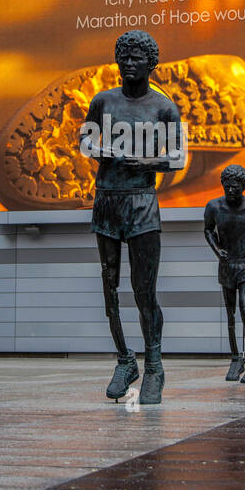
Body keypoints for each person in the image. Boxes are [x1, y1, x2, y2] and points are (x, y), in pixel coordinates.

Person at [79, 30, 184, 405]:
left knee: (144, 291)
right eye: (123, 56)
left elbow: (178, 158)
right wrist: (102, 150)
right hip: (107, 200)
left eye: (137, 57)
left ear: (151, 64)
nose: (129, 63)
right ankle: (125, 359)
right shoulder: (102, 101)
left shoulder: (164, 108)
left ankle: (154, 363)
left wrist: (146, 161)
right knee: (110, 289)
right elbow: (84, 142)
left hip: (142, 202)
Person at [203, 165, 245, 383]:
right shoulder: (214, 206)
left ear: (243, 186)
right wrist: (217, 250)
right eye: (227, 186)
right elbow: (207, 230)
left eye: (235, 187)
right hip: (227, 266)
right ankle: (236, 358)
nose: (231, 190)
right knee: (231, 315)